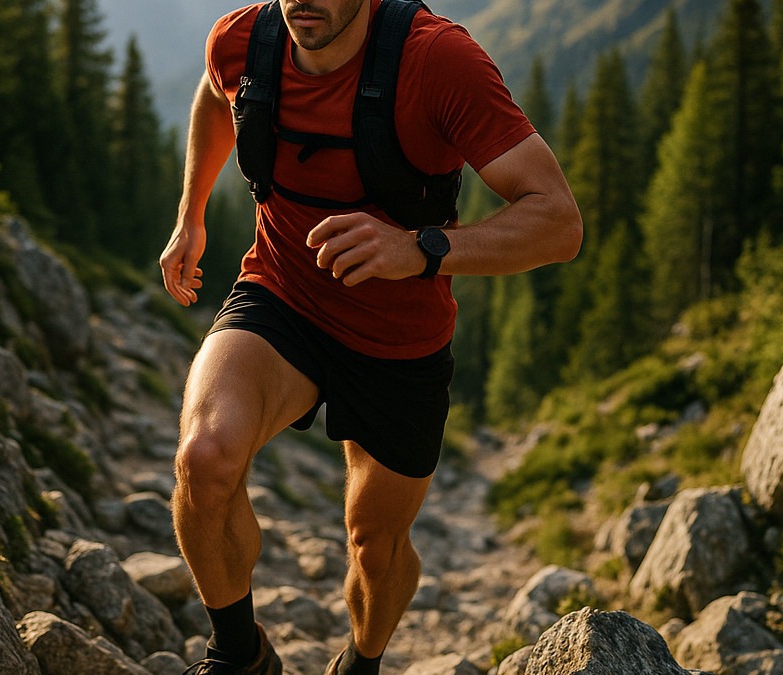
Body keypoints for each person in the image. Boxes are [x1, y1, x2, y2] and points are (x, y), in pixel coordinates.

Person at [159, 0, 581, 673]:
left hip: (398, 338)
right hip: (282, 295)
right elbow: (217, 96)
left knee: (375, 546)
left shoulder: (438, 61)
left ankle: (361, 662)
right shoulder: (245, 40)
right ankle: (239, 655)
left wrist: (418, 248)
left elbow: (558, 221)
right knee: (203, 459)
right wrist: (192, 215)